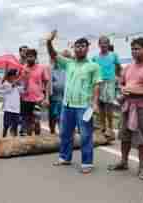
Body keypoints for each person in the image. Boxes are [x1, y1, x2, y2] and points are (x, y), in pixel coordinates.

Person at [47, 30, 100, 174]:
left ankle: (87, 162)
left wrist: (95, 103)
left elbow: (96, 85)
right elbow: (53, 55)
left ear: (87, 48)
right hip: (67, 105)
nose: (80, 48)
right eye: (77, 46)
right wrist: (48, 42)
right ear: (74, 48)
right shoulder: (68, 63)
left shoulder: (93, 66)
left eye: (83, 46)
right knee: (65, 133)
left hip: (84, 106)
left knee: (86, 135)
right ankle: (64, 157)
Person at [107, 38, 143, 182]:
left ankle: (141, 167)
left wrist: (137, 93)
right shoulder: (128, 67)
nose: (134, 51)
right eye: (133, 49)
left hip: (142, 108)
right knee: (124, 136)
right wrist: (123, 89)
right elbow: (122, 83)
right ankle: (124, 162)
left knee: (142, 139)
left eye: (137, 49)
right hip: (127, 107)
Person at [92, 36, 121, 139]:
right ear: (99, 45)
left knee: (109, 106)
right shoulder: (95, 58)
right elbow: (92, 70)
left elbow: (119, 68)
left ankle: (110, 127)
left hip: (110, 82)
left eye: (106, 43)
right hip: (99, 82)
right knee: (100, 106)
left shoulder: (114, 55)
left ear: (108, 44)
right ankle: (102, 126)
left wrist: (117, 78)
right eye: (102, 43)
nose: (104, 45)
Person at [20, 48, 50, 136]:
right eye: (28, 57)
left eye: (31, 56)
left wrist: (47, 98)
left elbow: (47, 83)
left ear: (35, 57)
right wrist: (25, 76)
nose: (29, 58)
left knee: (36, 121)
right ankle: (30, 141)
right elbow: (21, 84)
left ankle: (37, 139)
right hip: (26, 99)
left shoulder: (41, 68)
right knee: (28, 121)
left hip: (38, 99)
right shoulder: (23, 68)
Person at [0, 70, 23, 137]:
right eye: (11, 76)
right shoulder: (6, 84)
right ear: (8, 77)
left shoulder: (17, 85)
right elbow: (9, 88)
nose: (13, 78)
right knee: (6, 126)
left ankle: (15, 140)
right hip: (8, 109)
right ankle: (3, 139)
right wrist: (19, 79)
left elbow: (23, 90)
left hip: (16, 109)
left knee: (15, 126)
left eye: (14, 76)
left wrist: (20, 82)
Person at [49, 50, 69, 135]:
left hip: (63, 98)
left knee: (62, 116)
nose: (56, 61)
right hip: (53, 98)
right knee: (52, 116)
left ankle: (62, 132)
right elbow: (47, 83)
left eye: (57, 59)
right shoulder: (50, 70)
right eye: (54, 60)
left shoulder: (65, 69)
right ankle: (52, 131)